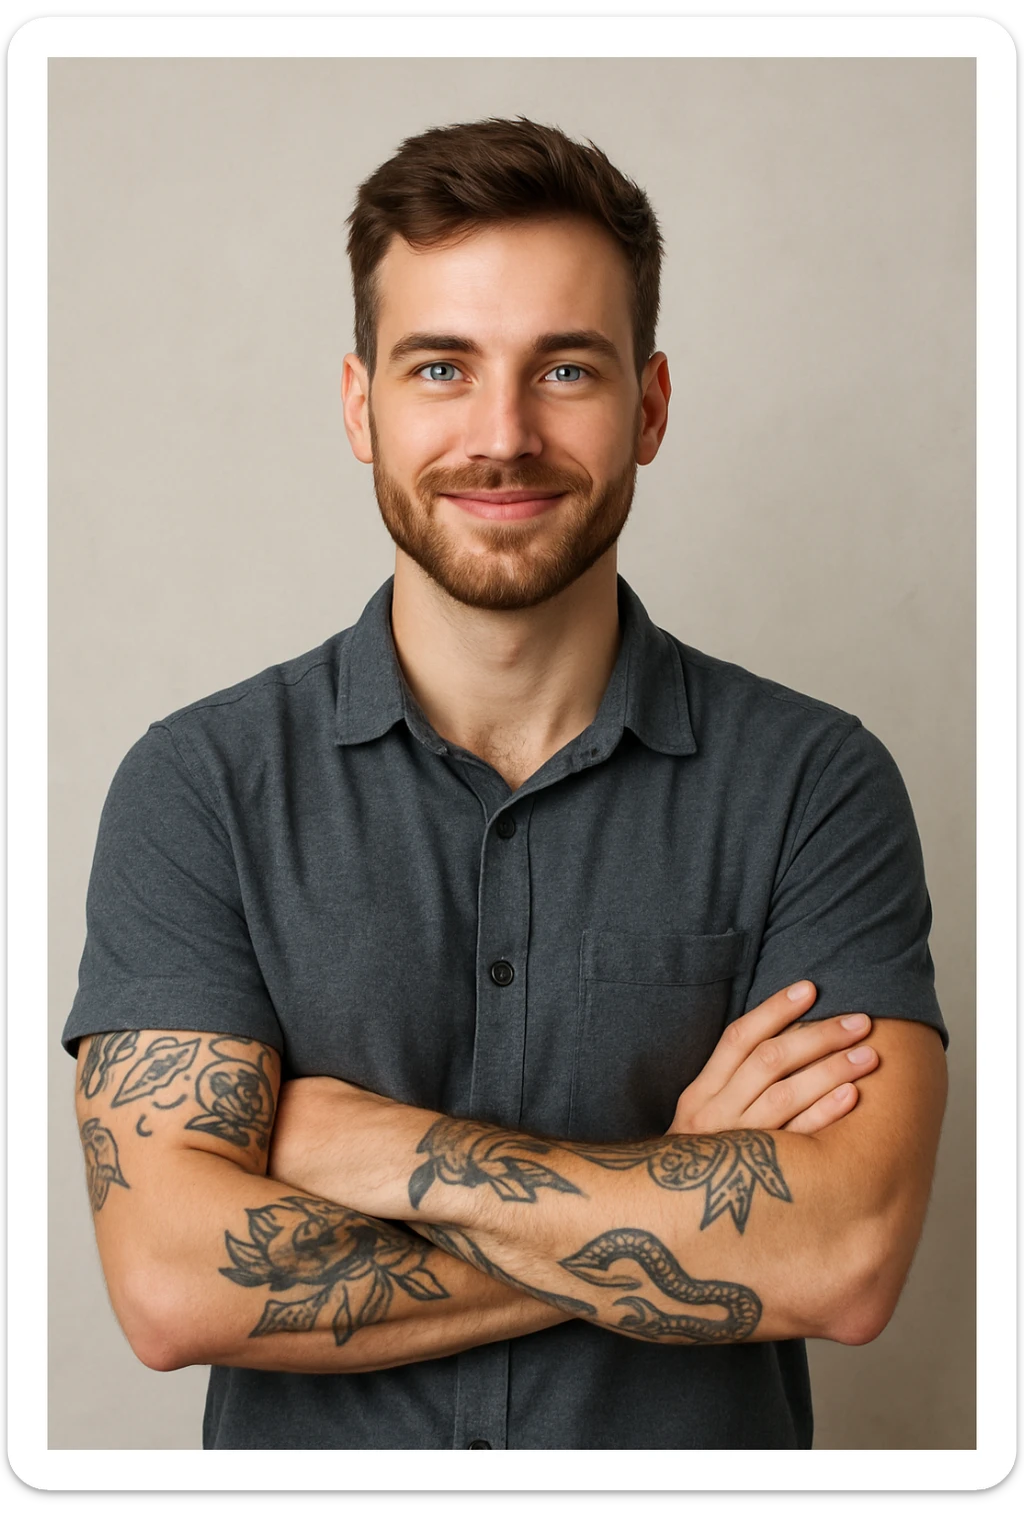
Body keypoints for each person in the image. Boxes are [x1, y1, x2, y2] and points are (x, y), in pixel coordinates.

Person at [63, 117, 948, 1452]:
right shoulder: (200, 788)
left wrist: (365, 1151)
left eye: (567, 368)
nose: (503, 433)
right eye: (440, 366)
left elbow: (844, 1257)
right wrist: (680, 1197)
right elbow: (174, 1285)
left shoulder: (816, 785)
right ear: (361, 404)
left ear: (649, 405)